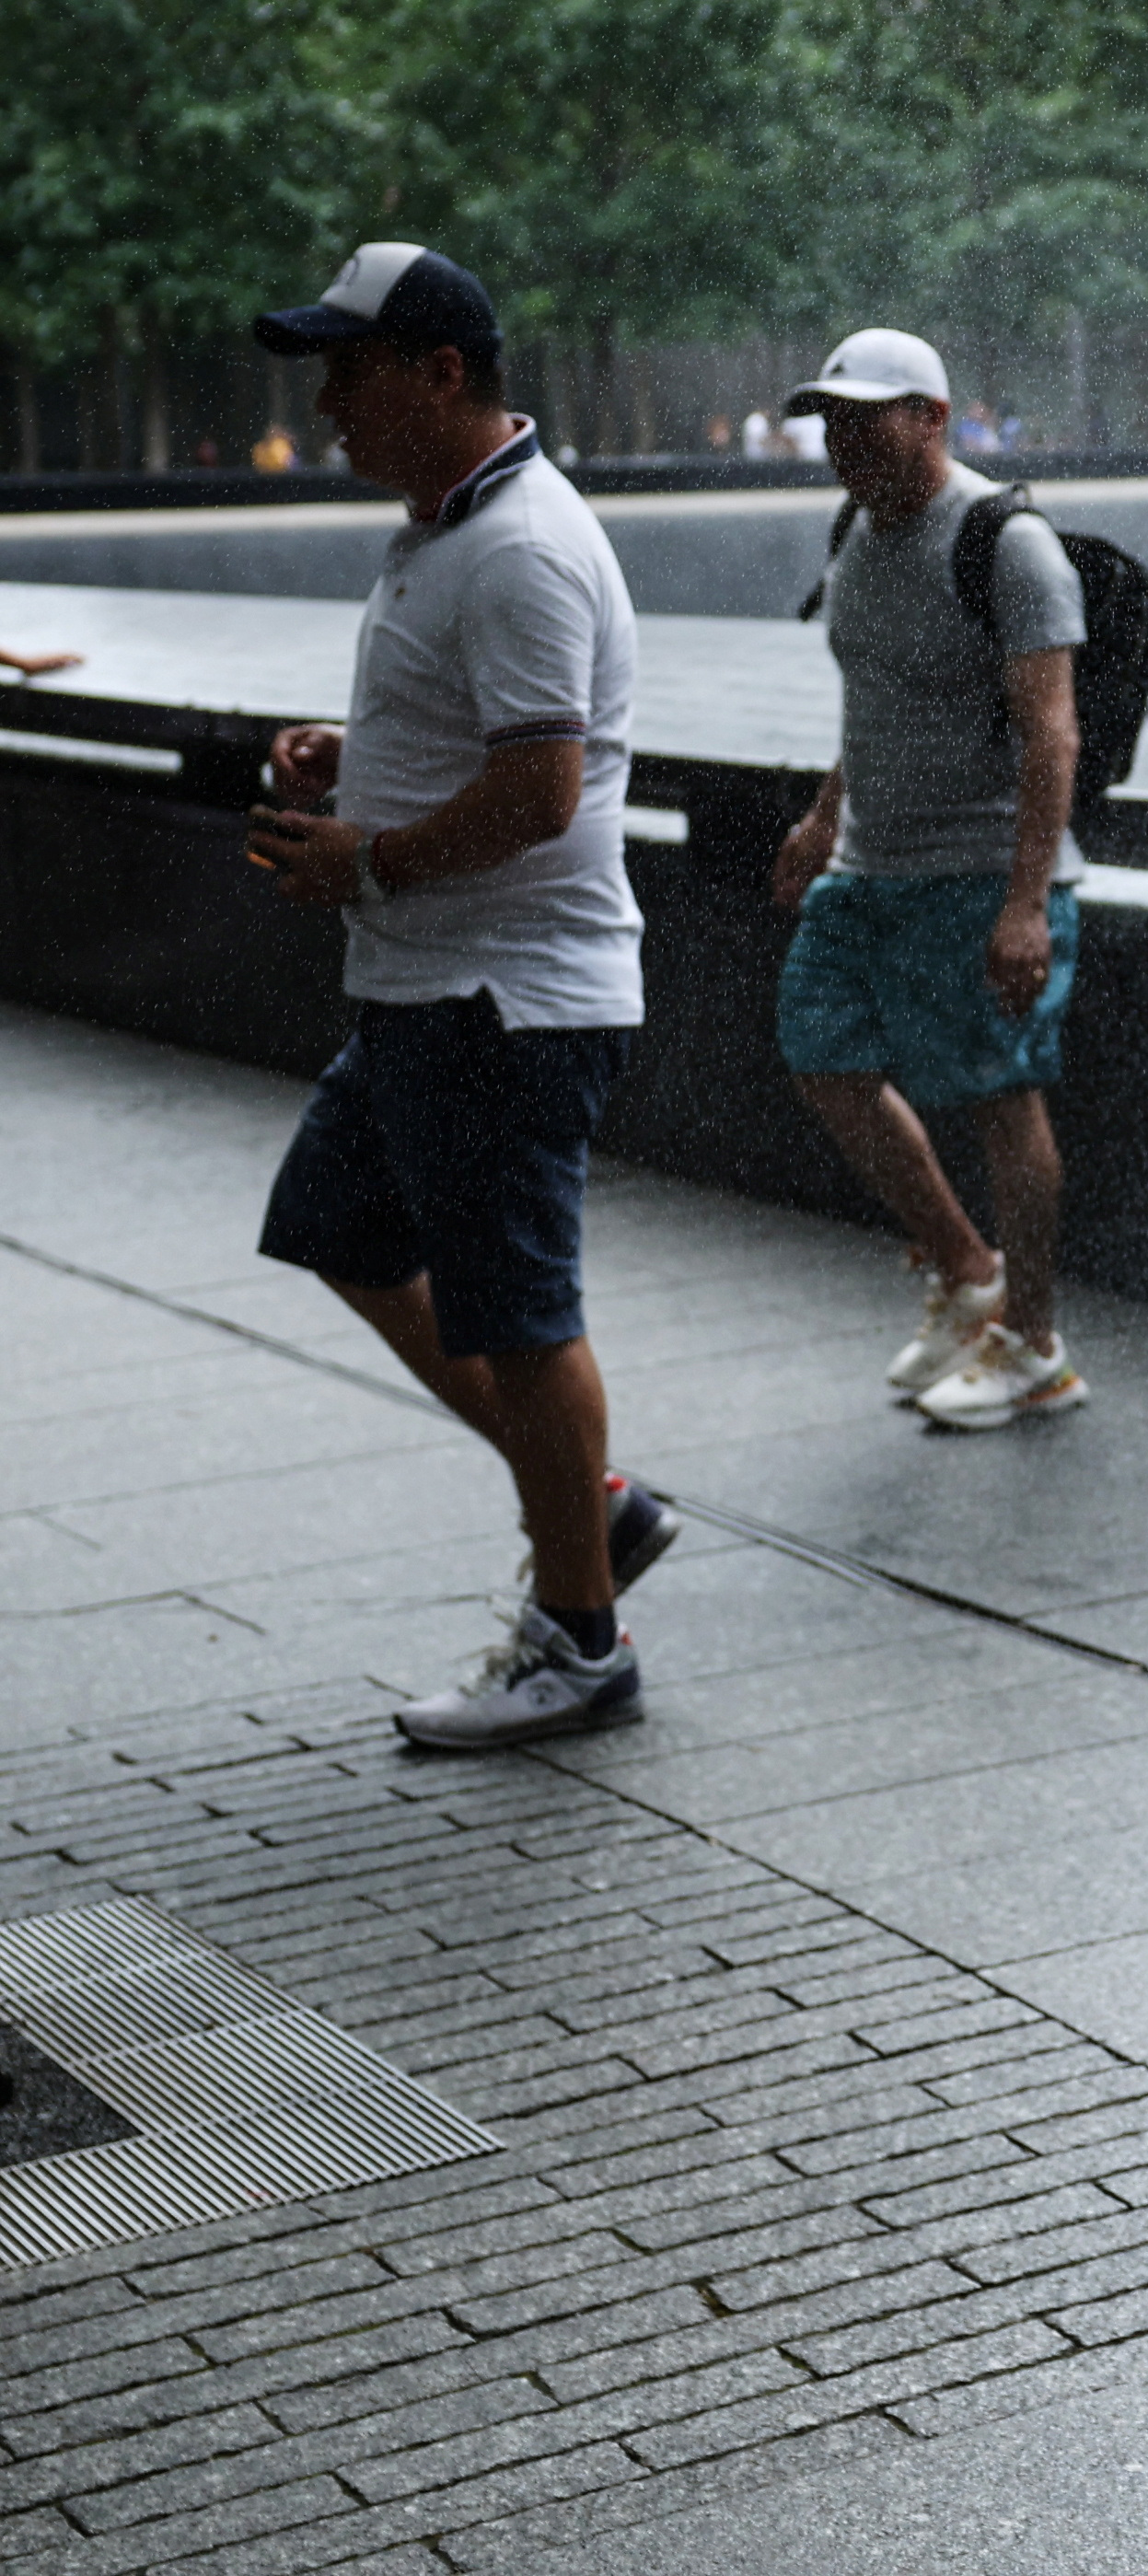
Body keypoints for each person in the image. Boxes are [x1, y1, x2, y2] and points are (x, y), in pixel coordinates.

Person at [238, 242, 675, 1749]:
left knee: (521, 1312)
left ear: (436, 374)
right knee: (337, 1223)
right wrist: (348, 764)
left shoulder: (520, 547)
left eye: (346, 373)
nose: (328, 405)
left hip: (504, 994)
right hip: (431, 984)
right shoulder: (444, 524)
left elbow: (547, 789)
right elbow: (488, 741)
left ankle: (581, 1641)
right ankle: (590, 1506)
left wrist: (371, 862)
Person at [769, 327, 1090, 1428]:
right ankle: (967, 1270)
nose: (843, 440)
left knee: (1004, 1093)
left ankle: (1037, 1346)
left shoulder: (1008, 543)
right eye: (832, 422)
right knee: (819, 1047)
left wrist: (1024, 902)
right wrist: (823, 814)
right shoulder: (855, 525)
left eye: (868, 418)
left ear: (933, 419)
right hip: (869, 863)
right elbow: (878, 698)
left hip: (981, 869)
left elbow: (1052, 737)